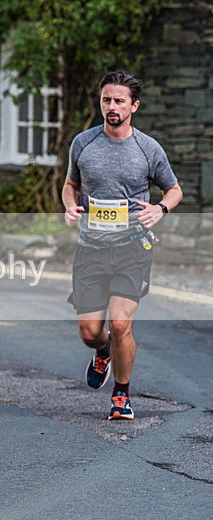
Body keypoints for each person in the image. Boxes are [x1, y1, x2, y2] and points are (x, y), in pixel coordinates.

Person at [62, 70, 183, 421]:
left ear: (134, 106)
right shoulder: (83, 143)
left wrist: (160, 209)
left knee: (119, 325)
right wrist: (70, 205)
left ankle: (121, 394)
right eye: (106, 100)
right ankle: (102, 352)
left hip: (132, 247)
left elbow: (174, 190)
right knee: (90, 332)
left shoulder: (148, 148)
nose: (111, 107)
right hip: (91, 247)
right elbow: (71, 184)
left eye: (118, 101)